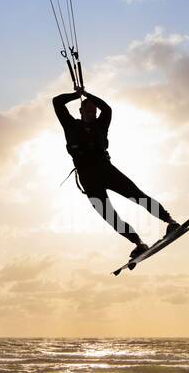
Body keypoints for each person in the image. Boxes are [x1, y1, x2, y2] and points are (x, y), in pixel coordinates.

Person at [52, 87, 180, 259]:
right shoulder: (70, 125)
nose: (91, 113)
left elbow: (107, 109)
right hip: (88, 179)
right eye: (87, 110)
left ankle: (171, 222)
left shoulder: (101, 123)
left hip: (107, 171)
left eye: (93, 110)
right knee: (110, 216)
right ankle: (138, 243)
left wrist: (88, 94)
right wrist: (77, 95)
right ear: (81, 111)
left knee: (138, 196)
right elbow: (57, 102)